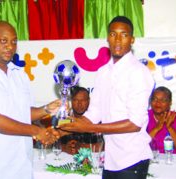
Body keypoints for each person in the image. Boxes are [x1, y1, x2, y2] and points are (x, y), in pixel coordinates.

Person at [0, 21, 61, 179]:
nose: (10, 46)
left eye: (14, 41)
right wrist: (37, 131)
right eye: (3, 41)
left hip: (20, 169)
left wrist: (45, 110)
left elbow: (22, 113)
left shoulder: (19, 75)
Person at [59, 16, 155, 179]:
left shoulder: (138, 72)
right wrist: (61, 129)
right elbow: (94, 112)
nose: (117, 39)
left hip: (132, 160)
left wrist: (90, 128)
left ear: (132, 39)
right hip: (110, 159)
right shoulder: (103, 72)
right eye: (113, 34)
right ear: (107, 38)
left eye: (123, 35)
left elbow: (135, 124)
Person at [147, 86, 176, 154]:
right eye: (154, 99)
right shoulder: (144, 116)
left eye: (163, 100)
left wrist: (170, 127)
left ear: (170, 103)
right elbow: (138, 147)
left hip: (173, 160)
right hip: (149, 160)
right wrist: (156, 128)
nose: (158, 103)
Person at [60, 86, 103, 154]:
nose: (79, 104)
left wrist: (82, 147)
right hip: (66, 160)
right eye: (75, 100)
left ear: (89, 101)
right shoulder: (64, 118)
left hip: (93, 160)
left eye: (83, 100)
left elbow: (106, 146)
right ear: (71, 101)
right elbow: (52, 143)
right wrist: (64, 148)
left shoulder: (98, 120)